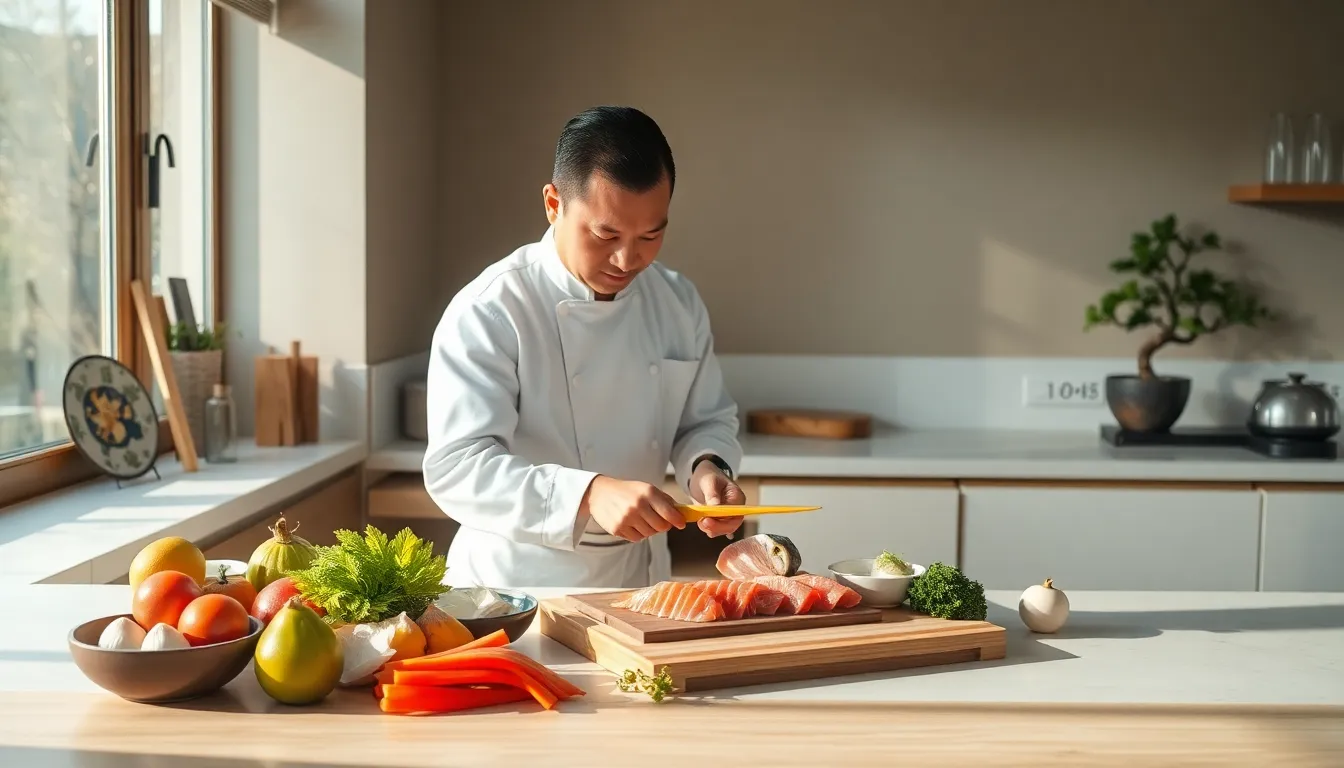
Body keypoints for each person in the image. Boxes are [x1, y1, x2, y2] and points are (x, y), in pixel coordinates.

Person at [423, 106, 745, 589]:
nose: (627, 258)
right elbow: (457, 467)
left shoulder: (676, 301)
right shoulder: (492, 309)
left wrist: (708, 468)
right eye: (606, 234)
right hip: (519, 588)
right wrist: (588, 493)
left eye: (650, 235)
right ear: (554, 204)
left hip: (642, 580)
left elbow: (704, 421)